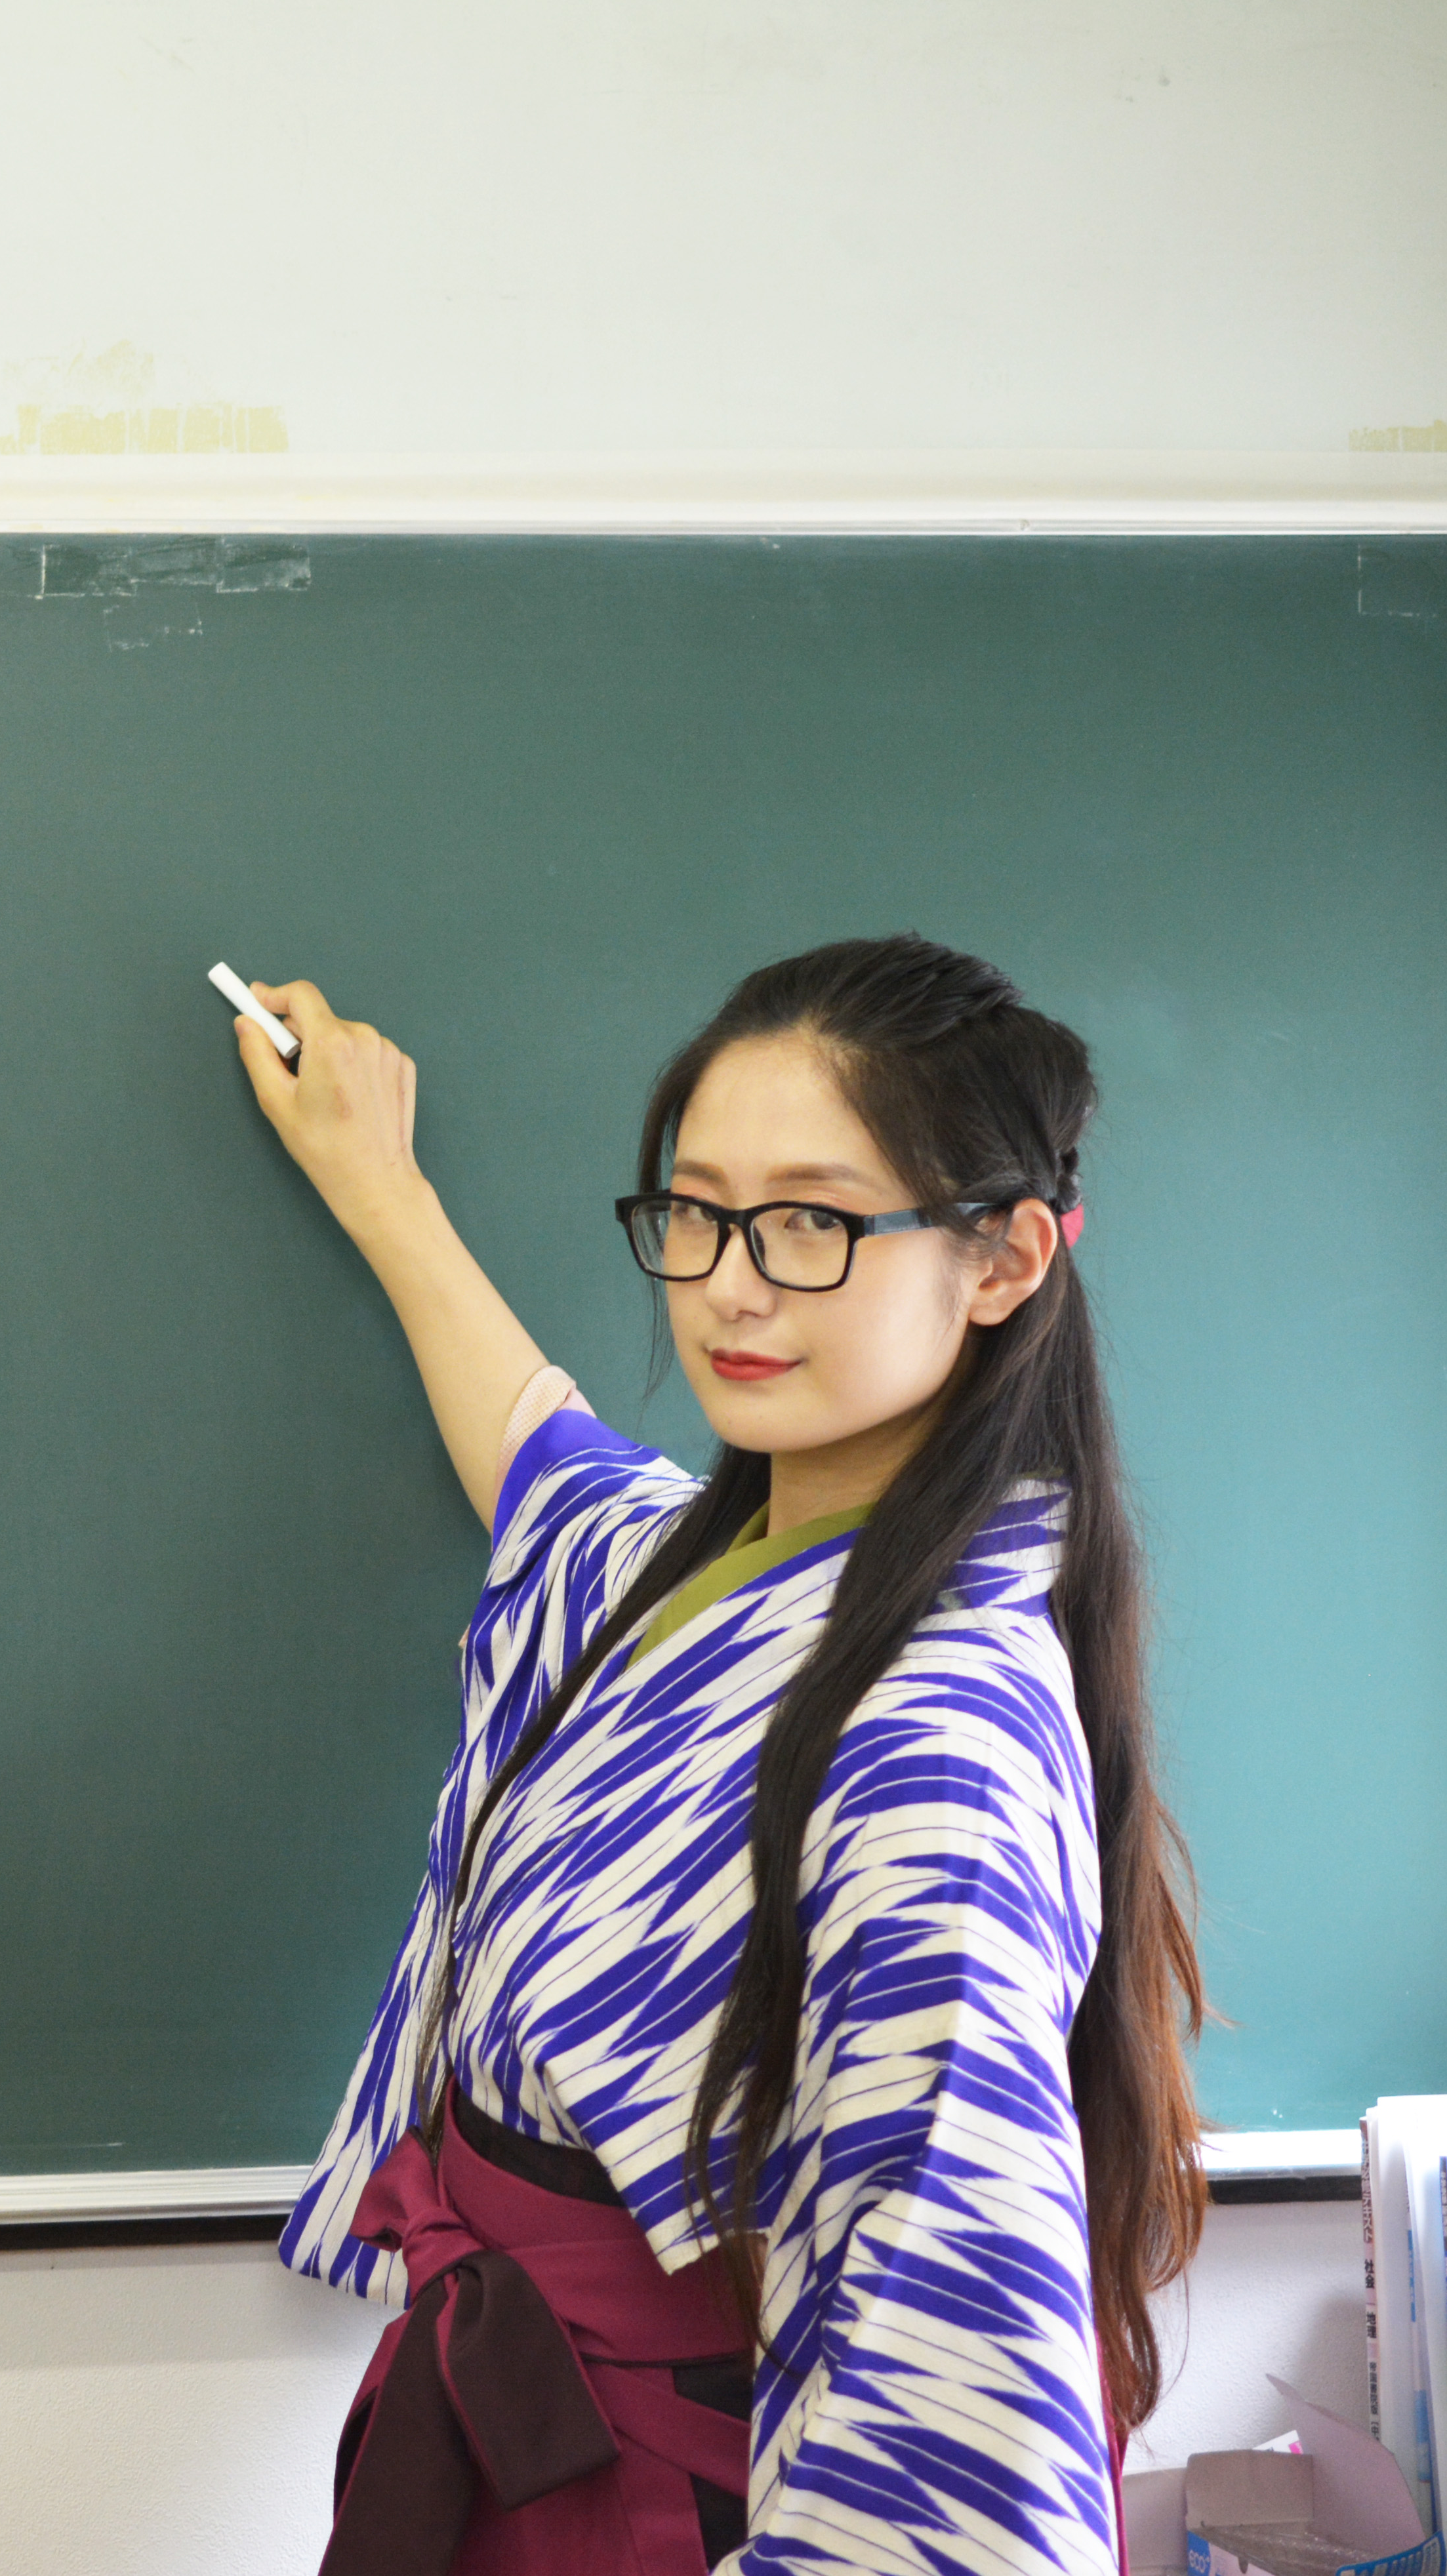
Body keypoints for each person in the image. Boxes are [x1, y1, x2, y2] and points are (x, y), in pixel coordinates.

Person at [230, 934, 1207, 2576]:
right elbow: (542, 1454)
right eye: (694, 1212)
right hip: (514, 2456)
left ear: (1003, 1258)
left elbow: (944, 2344)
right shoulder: (685, 1570)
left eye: (812, 1222)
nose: (732, 1286)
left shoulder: (940, 1734)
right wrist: (377, 1182)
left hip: (667, 2504)